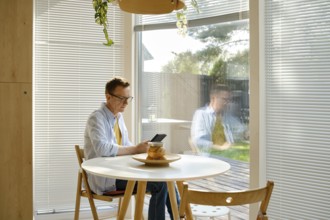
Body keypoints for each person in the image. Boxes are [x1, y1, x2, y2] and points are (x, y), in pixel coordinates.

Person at [84, 77, 178, 220]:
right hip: (108, 178)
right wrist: (135, 149)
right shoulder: (96, 118)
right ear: (108, 96)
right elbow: (102, 149)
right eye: (122, 98)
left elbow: (126, 145)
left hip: (121, 171)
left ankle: (179, 217)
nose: (126, 103)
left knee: (168, 179)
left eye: (128, 98)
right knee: (160, 184)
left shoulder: (118, 117)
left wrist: (141, 147)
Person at [190, 84, 233, 154]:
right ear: (213, 98)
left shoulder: (228, 117)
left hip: (229, 156)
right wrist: (219, 148)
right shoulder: (201, 114)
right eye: (224, 99)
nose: (227, 103)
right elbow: (198, 141)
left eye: (228, 100)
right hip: (210, 158)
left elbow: (240, 131)